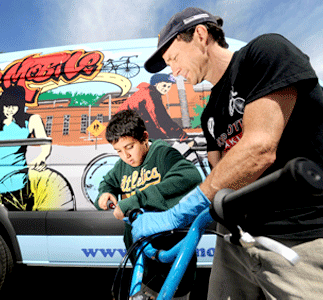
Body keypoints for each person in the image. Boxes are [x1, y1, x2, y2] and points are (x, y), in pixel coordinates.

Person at [132, 6, 323, 300]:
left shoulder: (264, 53)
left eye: (174, 58)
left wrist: (180, 211)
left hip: (298, 240)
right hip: (236, 241)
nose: (173, 71)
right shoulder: (209, 113)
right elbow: (220, 177)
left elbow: (259, 149)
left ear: (200, 35)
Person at [94, 109, 202, 298]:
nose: (125, 156)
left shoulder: (162, 154)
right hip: (143, 263)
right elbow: (107, 182)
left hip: (172, 261)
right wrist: (105, 193)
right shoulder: (122, 166)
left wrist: (135, 200)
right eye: (118, 151)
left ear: (144, 137)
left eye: (130, 147)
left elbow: (190, 176)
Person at [116, 73, 189, 141]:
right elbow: (155, 118)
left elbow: (164, 117)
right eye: (164, 85)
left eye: (168, 86)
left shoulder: (154, 94)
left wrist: (179, 133)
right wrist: (166, 136)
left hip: (130, 124)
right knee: (157, 137)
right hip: (123, 125)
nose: (166, 89)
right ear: (156, 84)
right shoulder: (148, 94)